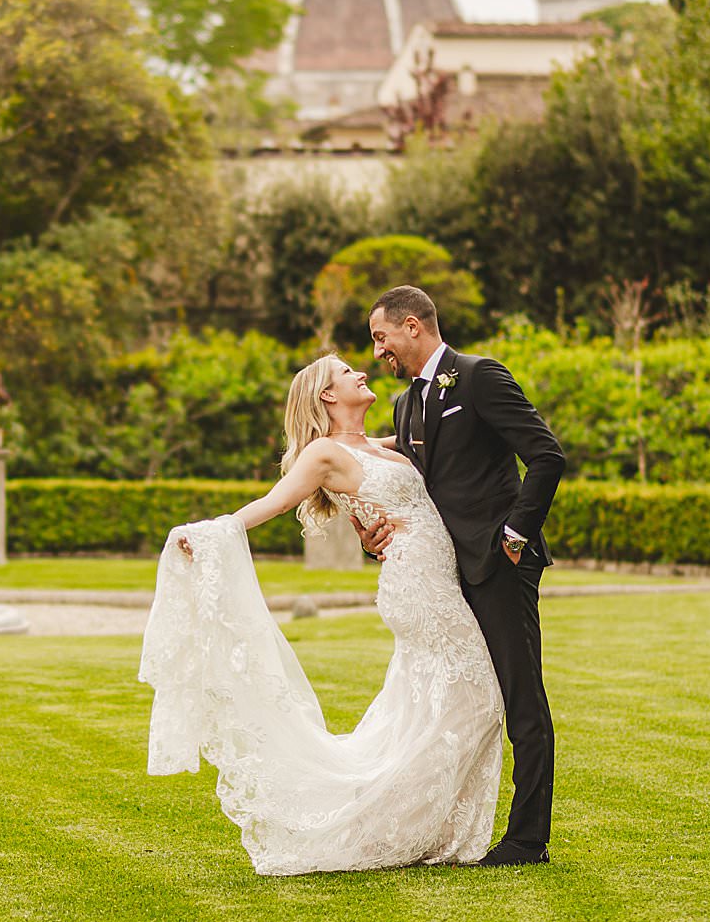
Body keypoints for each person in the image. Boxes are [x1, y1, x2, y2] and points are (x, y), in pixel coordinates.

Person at [140, 354, 505, 875]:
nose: (361, 372)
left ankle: (415, 822)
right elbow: (273, 502)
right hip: (417, 588)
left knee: (426, 705)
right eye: (346, 372)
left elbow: (444, 451)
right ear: (327, 396)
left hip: (439, 579)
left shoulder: (372, 445)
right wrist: (208, 533)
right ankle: (390, 825)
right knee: (481, 695)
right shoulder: (322, 453)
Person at [359, 284, 565, 866]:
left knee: (522, 700)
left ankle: (528, 840)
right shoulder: (405, 404)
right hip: (443, 576)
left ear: (413, 327)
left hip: (500, 566)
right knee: (459, 700)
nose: (379, 352)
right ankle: (439, 826)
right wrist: (377, 530)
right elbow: (417, 486)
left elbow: (546, 455)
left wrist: (515, 535)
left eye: (382, 337)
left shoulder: (478, 377)